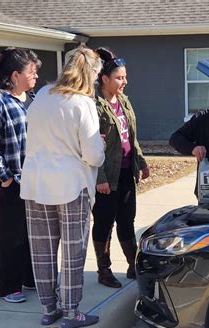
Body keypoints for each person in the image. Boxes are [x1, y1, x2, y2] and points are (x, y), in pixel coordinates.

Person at [20, 46, 105, 328]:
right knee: (72, 251)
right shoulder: (82, 103)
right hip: (71, 185)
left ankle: (49, 308)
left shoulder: (41, 95)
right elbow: (93, 155)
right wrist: (100, 146)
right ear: (91, 73)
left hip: (35, 183)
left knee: (42, 249)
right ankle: (72, 312)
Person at [0, 48, 41, 303]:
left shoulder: (31, 98)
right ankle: (8, 286)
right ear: (15, 74)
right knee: (10, 236)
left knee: (31, 232)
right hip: (8, 179)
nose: (36, 76)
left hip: (34, 178)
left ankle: (29, 278)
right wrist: (5, 177)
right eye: (31, 71)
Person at [91, 47, 149, 287]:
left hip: (126, 172)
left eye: (125, 77)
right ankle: (103, 270)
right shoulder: (94, 105)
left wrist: (141, 161)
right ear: (105, 79)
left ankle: (132, 265)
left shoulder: (123, 100)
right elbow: (92, 143)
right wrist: (100, 178)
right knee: (104, 222)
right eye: (119, 77)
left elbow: (130, 137)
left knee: (127, 219)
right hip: (106, 175)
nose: (125, 81)